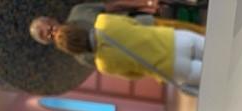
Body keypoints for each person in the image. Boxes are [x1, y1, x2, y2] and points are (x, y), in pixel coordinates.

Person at [51, 14, 203, 90]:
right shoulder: (103, 20)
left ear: (76, 51)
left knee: (211, 77)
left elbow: (135, 75)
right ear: (77, 28)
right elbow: (135, 23)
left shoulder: (103, 66)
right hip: (174, 40)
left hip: (172, 68)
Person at [29, 2, 204, 67]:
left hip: (143, 24)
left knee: (189, 33)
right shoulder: (81, 56)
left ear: (51, 19)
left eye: (47, 27)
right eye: (45, 35)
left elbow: (114, 6)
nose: (50, 32)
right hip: (146, 53)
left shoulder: (79, 11)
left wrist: (145, 4)